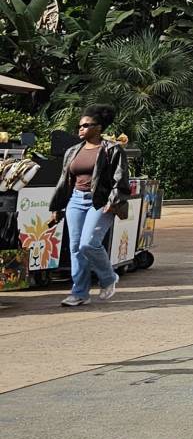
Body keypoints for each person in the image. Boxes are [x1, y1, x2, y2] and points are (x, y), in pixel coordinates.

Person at [52, 107, 131, 308]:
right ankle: (79, 293)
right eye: (80, 126)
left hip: (101, 202)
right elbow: (64, 180)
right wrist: (58, 206)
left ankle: (108, 278)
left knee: (89, 243)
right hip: (75, 201)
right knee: (76, 248)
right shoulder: (72, 151)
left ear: (99, 128)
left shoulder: (112, 149)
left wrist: (112, 202)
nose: (81, 129)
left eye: (87, 125)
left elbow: (120, 179)